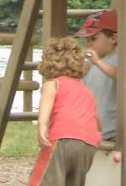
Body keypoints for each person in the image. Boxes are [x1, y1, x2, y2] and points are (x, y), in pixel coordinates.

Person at [29, 38, 101, 186]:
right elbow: (98, 123)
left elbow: (45, 110)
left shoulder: (53, 84)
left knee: (44, 180)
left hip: (63, 138)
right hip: (89, 145)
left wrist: (42, 128)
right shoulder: (87, 92)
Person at [75, 9, 118, 142]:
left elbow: (123, 77)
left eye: (94, 39)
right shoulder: (88, 63)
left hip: (113, 132)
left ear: (113, 38)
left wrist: (98, 62)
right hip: (89, 130)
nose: (89, 44)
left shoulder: (120, 59)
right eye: (87, 40)